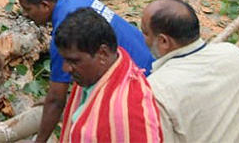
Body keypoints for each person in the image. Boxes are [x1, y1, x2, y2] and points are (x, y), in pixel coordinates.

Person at [13, 0, 154, 143]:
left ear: (44, 5)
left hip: (141, 84)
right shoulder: (81, 0)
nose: (25, 14)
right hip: (151, 61)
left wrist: (40, 140)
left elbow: (56, 100)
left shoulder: (66, 34)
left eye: (28, 9)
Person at [142, 0, 239, 143]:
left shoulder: (157, 89)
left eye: (145, 33)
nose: (142, 38)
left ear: (164, 41)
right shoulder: (233, 54)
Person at [53, 8, 162, 143]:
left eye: (73, 61)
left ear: (103, 54)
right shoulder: (96, 75)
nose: (66, 68)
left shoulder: (125, 111)